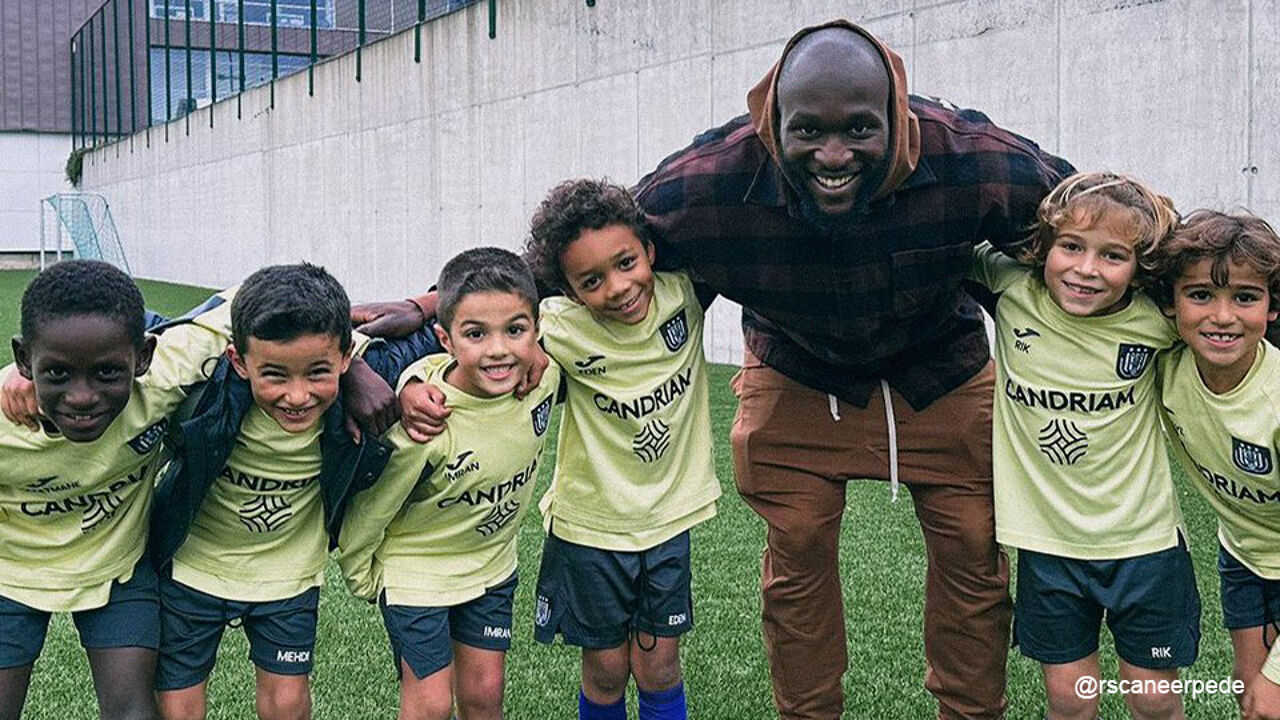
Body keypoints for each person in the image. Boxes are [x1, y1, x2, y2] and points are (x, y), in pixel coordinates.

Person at [351, 20, 1073, 720]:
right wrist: (424, 307)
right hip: (794, 371)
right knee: (798, 554)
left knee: (974, 550)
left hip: (940, 371)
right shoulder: (711, 180)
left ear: (895, 113)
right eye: (807, 131)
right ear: (773, 121)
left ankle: (972, 712)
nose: (831, 153)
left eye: (859, 129)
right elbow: (580, 254)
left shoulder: (975, 157)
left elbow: (1091, 220)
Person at [149, 263, 431, 720]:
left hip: (288, 572)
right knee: (177, 707)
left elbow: (462, 324)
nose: (298, 396)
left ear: (345, 357)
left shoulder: (372, 373)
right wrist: (24, 379)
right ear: (238, 361)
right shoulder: (202, 379)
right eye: (275, 376)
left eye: (317, 372)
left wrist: (423, 314)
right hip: (194, 566)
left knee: (288, 704)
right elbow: (121, 340)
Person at [968, 172, 1196, 720]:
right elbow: (946, 231)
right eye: (1071, 246)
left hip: (1145, 546)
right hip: (1049, 549)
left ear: (1140, 267)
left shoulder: (1157, 322)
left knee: (1155, 700)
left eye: (1113, 255)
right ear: (1044, 246)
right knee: (1071, 702)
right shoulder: (1012, 290)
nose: (1087, 269)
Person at [0, 260, 233, 720]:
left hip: (116, 570)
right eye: (58, 375)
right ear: (26, 359)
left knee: (134, 713)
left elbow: (252, 301)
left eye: (107, 373)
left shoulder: (163, 374)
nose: (82, 396)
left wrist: (362, 355)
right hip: (9, 576)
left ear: (143, 356)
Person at [337, 247, 558, 720]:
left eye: (515, 330)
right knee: (431, 705)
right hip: (419, 574)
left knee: (485, 697)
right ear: (445, 338)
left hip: (492, 567)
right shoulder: (425, 423)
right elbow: (372, 507)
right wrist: (365, 576)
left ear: (538, 331)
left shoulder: (544, 378)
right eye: (475, 334)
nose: (498, 349)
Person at [1153, 210, 1280, 720]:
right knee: (1253, 701)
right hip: (1245, 557)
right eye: (1201, 294)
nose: (1223, 316)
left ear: (1272, 307)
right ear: (1170, 303)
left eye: (1245, 297)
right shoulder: (1162, 367)